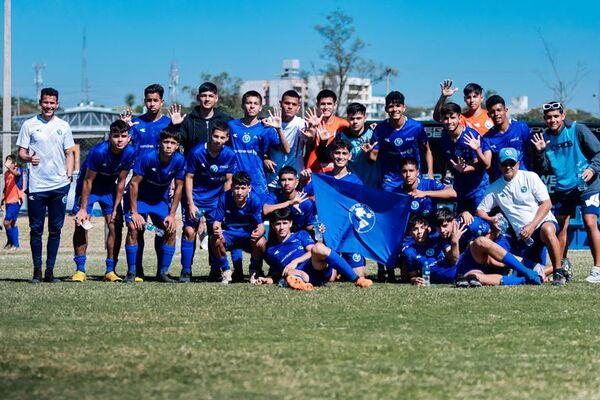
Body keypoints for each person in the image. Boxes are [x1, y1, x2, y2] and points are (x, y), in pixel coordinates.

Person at [531, 101, 600, 283]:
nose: (552, 120)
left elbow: (599, 153)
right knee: (561, 227)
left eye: (556, 116)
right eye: (548, 117)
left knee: (589, 221)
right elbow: (545, 168)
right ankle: (560, 269)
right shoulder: (544, 138)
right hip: (563, 188)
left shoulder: (578, 129)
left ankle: (597, 270)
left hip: (587, 185)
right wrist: (540, 153)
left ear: (563, 115)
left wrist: (592, 169)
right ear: (545, 119)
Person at [476, 147, 565, 285]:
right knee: (528, 272)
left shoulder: (530, 177)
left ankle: (558, 272)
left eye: (511, 163)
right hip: (523, 236)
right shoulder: (495, 188)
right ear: (499, 165)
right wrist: (491, 219)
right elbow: (481, 210)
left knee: (547, 230)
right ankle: (557, 267)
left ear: (518, 163)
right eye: (504, 164)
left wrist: (532, 225)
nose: (508, 167)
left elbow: (546, 204)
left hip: (541, 223)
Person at [16, 87, 75, 283]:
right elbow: (20, 153)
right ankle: (37, 271)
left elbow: (69, 153)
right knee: (36, 229)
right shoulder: (29, 125)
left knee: (55, 229)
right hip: (37, 186)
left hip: (59, 185)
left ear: (57, 104)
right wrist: (28, 158)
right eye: (45, 102)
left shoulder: (64, 126)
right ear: (40, 103)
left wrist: (68, 176)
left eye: (52, 103)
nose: (48, 106)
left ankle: (50, 271)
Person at [70, 120, 135, 282]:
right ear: (110, 137)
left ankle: (110, 270)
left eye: (123, 136)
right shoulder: (99, 151)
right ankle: (80, 270)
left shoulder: (130, 152)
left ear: (129, 137)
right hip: (89, 188)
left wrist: (115, 208)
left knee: (116, 224)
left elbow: (121, 182)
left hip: (109, 189)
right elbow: (87, 181)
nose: (119, 140)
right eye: (116, 136)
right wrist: (83, 208)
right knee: (81, 224)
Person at [255, 208, 373, 290]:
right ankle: (302, 285)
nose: (281, 227)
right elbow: (276, 274)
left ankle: (357, 279)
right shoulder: (271, 249)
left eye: (285, 223)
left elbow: (312, 251)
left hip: (315, 266)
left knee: (318, 247)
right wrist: (266, 280)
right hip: (300, 274)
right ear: (272, 225)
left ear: (290, 223)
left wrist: (295, 261)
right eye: (278, 224)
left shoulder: (300, 234)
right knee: (291, 273)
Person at [123, 129, 185, 283]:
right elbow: (133, 184)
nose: (169, 146)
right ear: (159, 143)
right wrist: (134, 212)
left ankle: (163, 272)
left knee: (170, 230)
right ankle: (132, 272)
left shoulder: (179, 160)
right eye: (166, 142)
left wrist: (172, 215)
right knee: (133, 228)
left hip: (159, 201)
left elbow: (179, 188)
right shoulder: (148, 158)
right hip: (139, 199)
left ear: (177, 146)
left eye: (172, 143)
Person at [301, 139, 367, 277]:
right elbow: (301, 196)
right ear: (331, 154)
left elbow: (362, 207)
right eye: (337, 153)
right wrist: (302, 181)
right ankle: (336, 269)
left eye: (344, 153)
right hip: (328, 235)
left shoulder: (356, 181)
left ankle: (345, 267)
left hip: (349, 234)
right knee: (330, 277)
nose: (340, 156)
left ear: (350, 156)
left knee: (359, 275)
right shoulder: (322, 179)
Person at [181, 122, 236, 282]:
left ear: (227, 139)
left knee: (215, 232)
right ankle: (186, 270)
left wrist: (223, 205)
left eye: (222, 137)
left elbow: (228, 181)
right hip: (196, 198)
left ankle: (215, 270)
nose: (218, 140)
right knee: (190, 232)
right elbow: (189, 177)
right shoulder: (197, 152)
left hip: (216, 201)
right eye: (215, 136)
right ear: (210, 136)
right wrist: (191, 204)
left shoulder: (230, 154)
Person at [364, 91, 433, 192]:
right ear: (386, 109)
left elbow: (427, 150)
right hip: (390, 178)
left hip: (412, 176)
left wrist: (430, 173)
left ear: (404, 107)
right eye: (391, 106)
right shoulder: (380, 129)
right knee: (391, 206)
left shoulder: (416, 127)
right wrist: (367, 153)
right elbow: (373, 158)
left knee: (414, 205)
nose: (395, 109)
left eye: (398, 106)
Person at [228, 90, 290, 200]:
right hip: (236, 182)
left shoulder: (266, 128)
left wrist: (279, 129)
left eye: (255, 103)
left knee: (259, 214)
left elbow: (286, 150)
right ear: (242, 105)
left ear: (260, 107)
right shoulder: (232, 126)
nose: (252, 106)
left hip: (257, 181)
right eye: (248, 103)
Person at [210, 172, 266, 284]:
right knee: (214, 239)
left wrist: (258, 233)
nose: (239, 192)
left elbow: (261, 227)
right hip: (230, 235)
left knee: (261, 242)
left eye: (243, 188)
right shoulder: (224, 198)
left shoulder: (255, 200)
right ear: (231, 187)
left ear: (249, 188)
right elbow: (217, 223)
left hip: (248, 236)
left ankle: (254, 270)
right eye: (236, 188)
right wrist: (217, 229)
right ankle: (226, 271)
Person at [439, 102, 491, 213]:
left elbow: (482, 165)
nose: (449, 122)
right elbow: (449, 160)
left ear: (459, 117)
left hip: (478, 188)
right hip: (460, 188)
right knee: (461, 223)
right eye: (446, 118)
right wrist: (450, 172)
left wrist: (465, 169)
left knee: (479, 225)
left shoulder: (470, 136)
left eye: (452, 117)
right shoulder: (444, 138)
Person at [171, 82, 233, 156]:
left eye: (210, 96)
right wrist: (175, 126)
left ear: (216, 98)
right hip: (194, 165)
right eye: (204, 96)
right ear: (198, 97)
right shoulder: (188, 120)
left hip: (219, 165)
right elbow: (175, 143)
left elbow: (233, 144)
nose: (207, 99)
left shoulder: (227, 120)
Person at [402, 215, 465, 285]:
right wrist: (414, 280)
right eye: (415, 229)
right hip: (453, 277)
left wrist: (454, 242)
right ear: (411, 233)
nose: (419, 232)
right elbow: (412, 276)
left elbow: (453, 259)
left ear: (428, 229)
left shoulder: (438, 239)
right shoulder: (409, 252)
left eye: (422, 228)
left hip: (460, 268)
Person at [265, 90, 307, 191]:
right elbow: (260, 146)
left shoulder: (301, 124)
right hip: (272, 180)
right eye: (287, 103)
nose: (290, 107)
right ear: (280, 104)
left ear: (298, 107)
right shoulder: (269, 122)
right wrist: (264, 158)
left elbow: (313, 138)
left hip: (294, 181)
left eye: (294, 104)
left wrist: (313, 131)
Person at [483, 95, 532, 180]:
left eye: (499, 110)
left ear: (506, 110)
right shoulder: (487, 138)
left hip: (523, 179)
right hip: (502, 184)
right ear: (488, 114)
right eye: (492, 112)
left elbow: (531, 153)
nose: (496, 114)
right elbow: (487, 165)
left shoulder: (521, 127)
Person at [304, 89, 350, 172]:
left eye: (329, 104)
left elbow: (357, 131)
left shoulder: (343, 124)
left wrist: (370, 127)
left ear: (335, 105)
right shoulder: (311, 122)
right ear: (317, 104)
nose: (326, 107)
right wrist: (312, 129)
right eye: (322, 104)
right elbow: (308, 149)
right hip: (313, 170)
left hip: (333, 171)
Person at [337, 102, 381, 187]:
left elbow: (375, 159)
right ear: (347, 118)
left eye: (359, 118)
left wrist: (369, 153)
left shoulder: (373, 133)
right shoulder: (341, 136)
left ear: (365, 118)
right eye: (352, 118)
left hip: (373, 184)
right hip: (352, 184)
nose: (355, 122)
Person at [263, 166, 315, 233]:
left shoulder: (305, 202)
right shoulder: (275, 195)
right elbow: (265, 210)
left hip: (298, 236)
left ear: (296, 182)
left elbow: (308, 225)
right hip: (277, 234)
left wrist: (316, 227)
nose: (287, 183)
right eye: (283, 180)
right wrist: (289, 203)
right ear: (279, 182)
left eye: (290, 179)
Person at [2, 155, 25, 250]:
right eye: (6, 161)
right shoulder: (6, 174)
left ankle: (15, 244)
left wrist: (9, 168)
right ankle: (11, 243)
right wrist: (2, 199)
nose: (7, 163)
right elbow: (6, 187)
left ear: (14, 163)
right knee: (12, 224)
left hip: (16, 201)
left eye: (10, 161)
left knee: (6, 222)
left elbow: (17, 174)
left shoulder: (18, 170)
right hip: (8, 201)